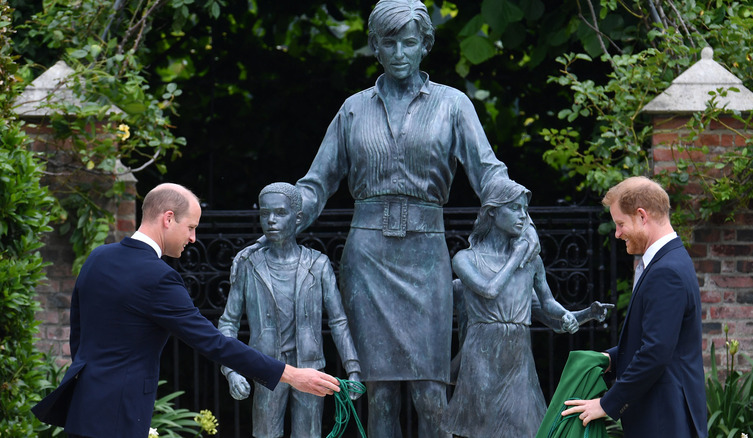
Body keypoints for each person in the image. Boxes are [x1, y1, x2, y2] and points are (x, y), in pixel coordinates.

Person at [242, 1, 539, 436]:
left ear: (425, 46)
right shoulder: (353, 110)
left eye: (409, 42)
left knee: (431, 393)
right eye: (388, 43)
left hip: (425, 255)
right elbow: (317, 183)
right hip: (369, 258)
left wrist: (520, 213)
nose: (399, 52)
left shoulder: (453, 105)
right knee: (379, 395)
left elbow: (488, 171)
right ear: (375, 48)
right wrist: (287, 214)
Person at [31, 183, 340, 438]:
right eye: (191, 227)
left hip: (81, 409)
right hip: (120, 418)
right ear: (168, 219)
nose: (193, 238)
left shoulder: (98, 258)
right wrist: (291, 374)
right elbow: (214, 342)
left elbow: (79, 334)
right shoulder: (159, 277)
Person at [561, 176, 707, 438]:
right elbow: (658, 341)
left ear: (642, 216)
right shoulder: (669, 261)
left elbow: (656, 352)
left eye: (620, 224)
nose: (617, 234)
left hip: (664, 421)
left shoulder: (666, 271)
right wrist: (610, 359)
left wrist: (606, 404)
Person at [218, 182, 361, 438]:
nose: (271, 221)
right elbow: (228, 322)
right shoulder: (249, 266)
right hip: (266, 367)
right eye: (265, 213)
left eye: (280, 213)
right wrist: (231, 370)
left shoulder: (318, 265)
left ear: (297, 218)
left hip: (310, 368)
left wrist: (353, 368)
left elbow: (338, 321)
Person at [441, 180, 582, 437]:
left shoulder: (532, 261)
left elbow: (547, 303)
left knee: (524, 426)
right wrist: (516, 256)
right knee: (481, 427)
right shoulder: (466, 258)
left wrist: (568, 315)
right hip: (481, 351)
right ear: (492, 212)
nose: (523, 216)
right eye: (515, 208)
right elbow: (489, 290)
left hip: (517, 353)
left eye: (525, 210)